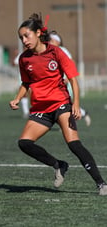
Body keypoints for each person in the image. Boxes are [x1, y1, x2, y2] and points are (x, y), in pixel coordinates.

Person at [9, 13, 107, 195]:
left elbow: (73, 79)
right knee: (24, 143)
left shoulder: (56, 52)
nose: (24, 40)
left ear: (38, 33)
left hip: (61, 104)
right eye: (21, 37)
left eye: (26, 36)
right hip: (40, 109)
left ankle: (101, 184)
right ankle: (58, 165)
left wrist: (76, 104)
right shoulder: (24, 59)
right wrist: (17, 98)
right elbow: (26, 83)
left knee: (74, 144)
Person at [49, 30, 91, 126]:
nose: (50, 42)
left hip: (65, 83)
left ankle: (74, 118)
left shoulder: (62, 50)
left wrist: (67, 78)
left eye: (52, 40)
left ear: (57, 41)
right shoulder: (49, 51)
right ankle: (82, 114)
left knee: (65, 104)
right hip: (56, 84)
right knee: (61, 104)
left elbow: (71, 63)